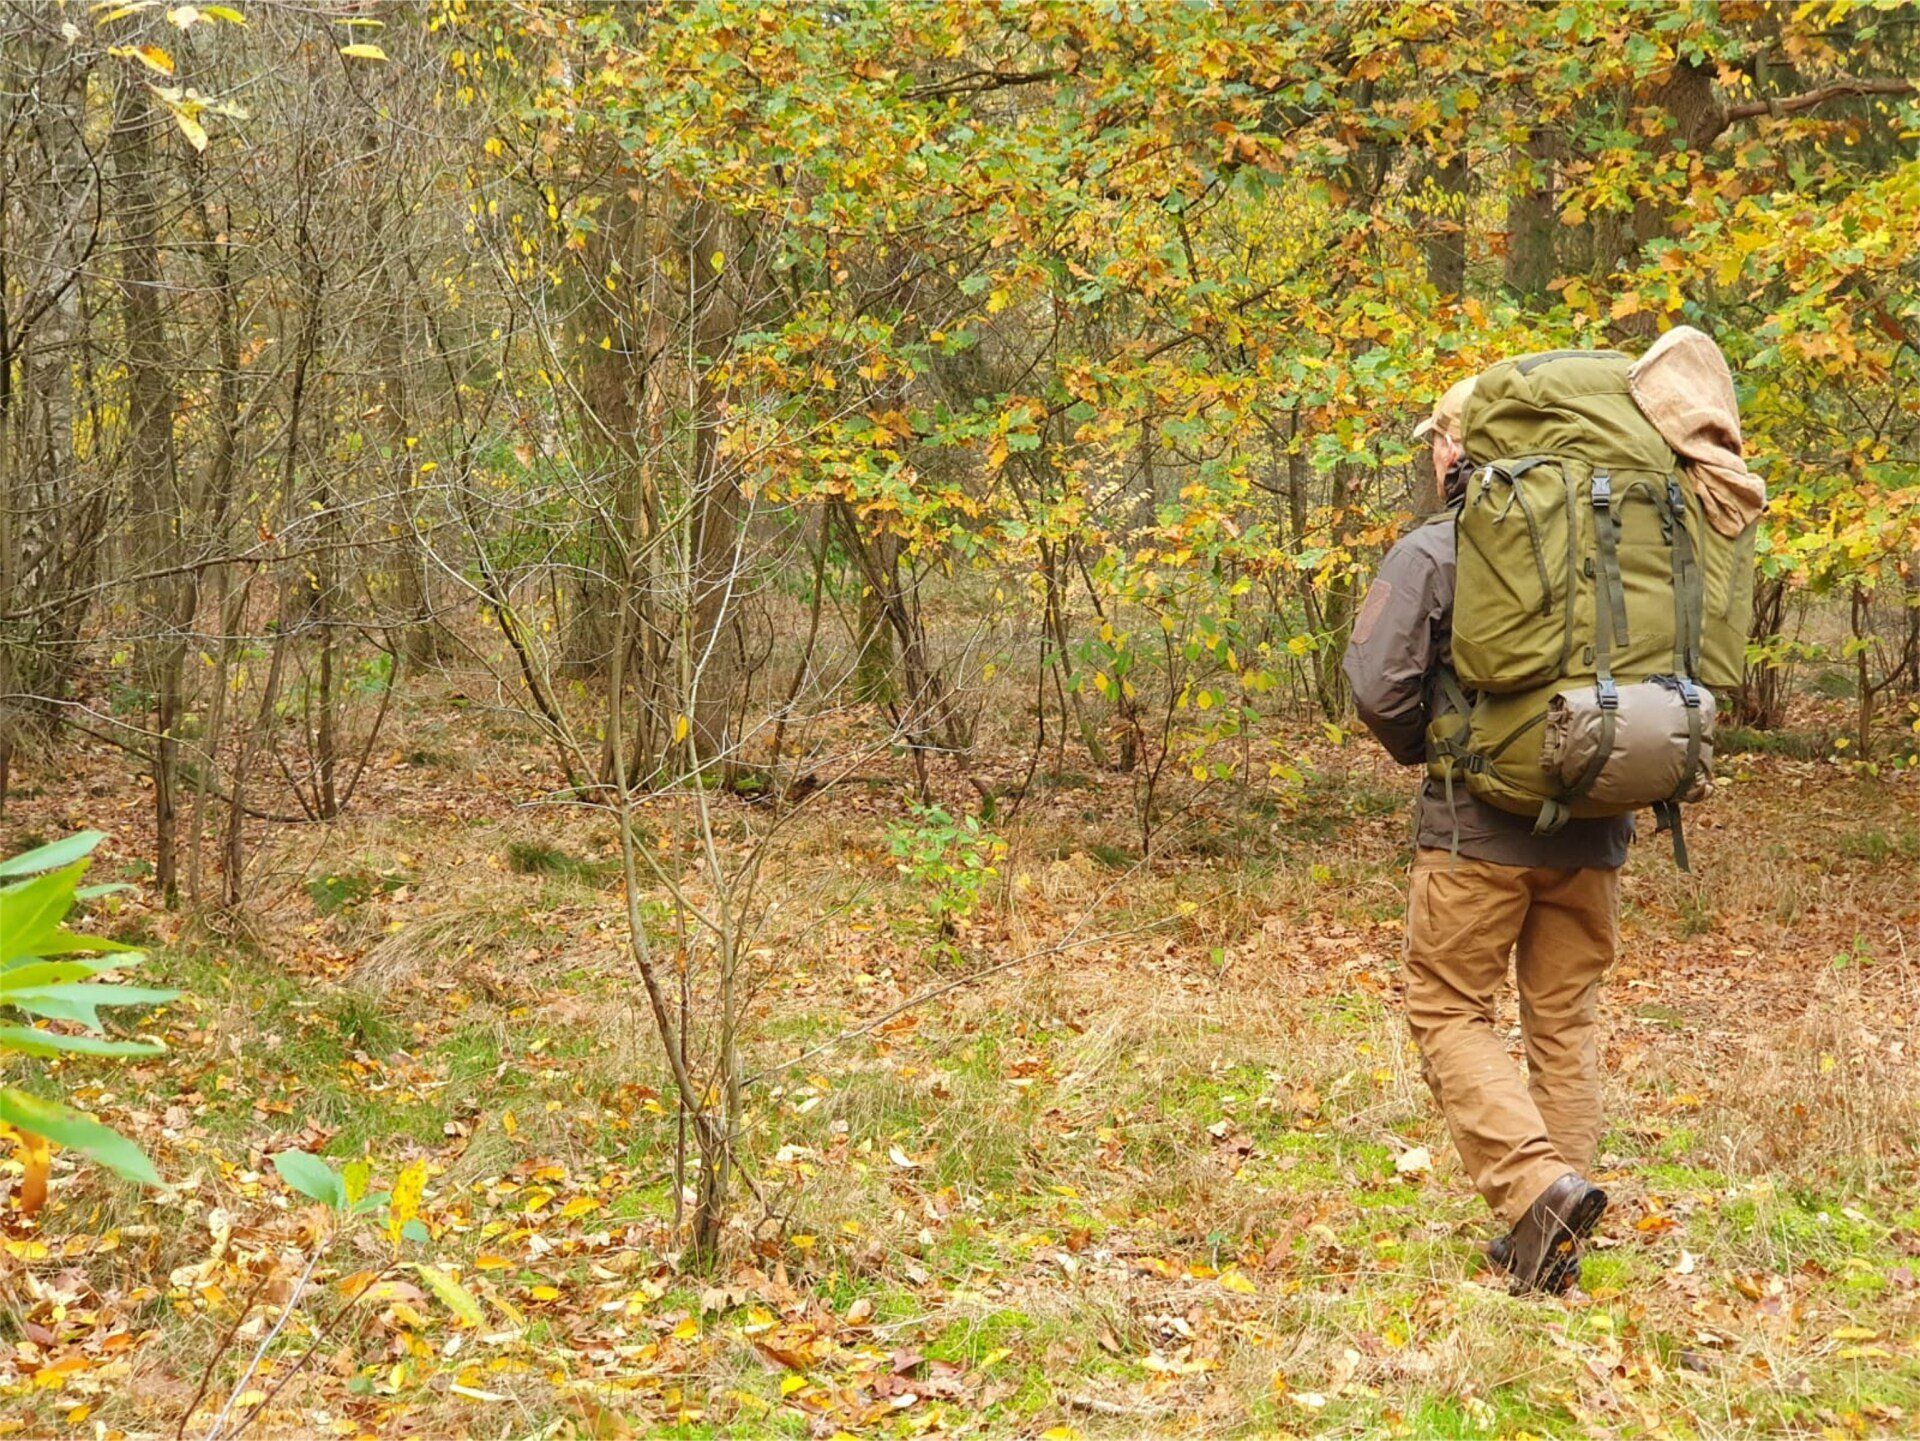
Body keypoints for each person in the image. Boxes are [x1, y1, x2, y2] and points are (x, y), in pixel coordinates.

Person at [1341, 376, 1630, 1295]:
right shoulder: (1608, 541)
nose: (1433, 451)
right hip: (1594, 826)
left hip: (1477, 834)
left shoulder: (1436, 547)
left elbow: (1375, 686)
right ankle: (1555, 1240)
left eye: (1438, 437)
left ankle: (1537, 1189)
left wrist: (1444, 748)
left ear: (1457, 448)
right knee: (1564, 1021)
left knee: (1446, 1009)